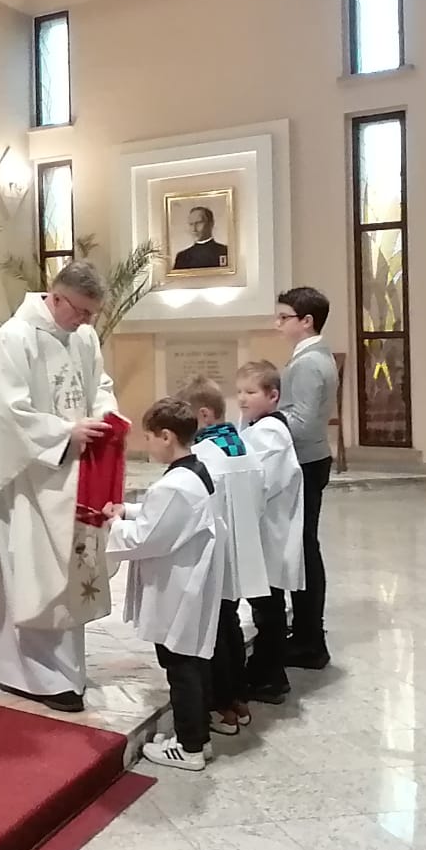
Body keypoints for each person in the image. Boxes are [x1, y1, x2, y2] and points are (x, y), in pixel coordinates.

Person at [0, 262, 120, 713]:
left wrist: (104, 416)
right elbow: (4, 414)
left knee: (65, 576)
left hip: (72, 479)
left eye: (92, 314)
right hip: (25, 483)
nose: (85, 321)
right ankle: (23, 673)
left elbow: (100, 386)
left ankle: (66, 672)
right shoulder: (13, 339)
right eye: (80, 311)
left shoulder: (83, 337)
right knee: (27, 574)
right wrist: (65, 432)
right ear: (56, 296)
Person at [106, 398, 222, 772]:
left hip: (179, 587)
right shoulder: (194, 472)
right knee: (192, 661)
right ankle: (198, 739)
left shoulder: (174, 485)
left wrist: (114, 524)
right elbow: (168, 517)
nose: (148, 444)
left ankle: (189, 748)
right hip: (189, 581)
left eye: (150, 437)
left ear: (167, 436)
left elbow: (146, 538)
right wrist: (130, 510)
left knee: (180, 665)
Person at [180, 375, 273, 720]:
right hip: (242, 550)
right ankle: (238, 697)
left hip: (212, 553)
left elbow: (194, 510)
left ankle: (221, 705)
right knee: (229, 620)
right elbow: (262, 497)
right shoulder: (246, 447)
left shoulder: (202, 456)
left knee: (213, 629)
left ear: (203, 415)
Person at [229, 361, 303, 705]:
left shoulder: (270, 433)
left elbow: (260, 483)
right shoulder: (254, 426)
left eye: (251, 392)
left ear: (273, 396)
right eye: (239, 391)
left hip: (267, 532)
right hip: (259, 531)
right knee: (264, 605)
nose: (242, 398)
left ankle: (270, 677)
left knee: (268, 608)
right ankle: (267, 672)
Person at [275, 286, 337, 669]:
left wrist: (266, 420)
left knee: (303, 551)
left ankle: (310, 641)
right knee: (301, 549)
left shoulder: (310, 362)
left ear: (306, 321)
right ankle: (305, 632)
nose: (277, 324)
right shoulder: (311, 356)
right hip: (308, 460)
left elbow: (303, 423)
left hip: (305, 462)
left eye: (284, 317)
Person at [172, 204, 226, 270]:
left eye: (199, 223)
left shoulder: (225, 251)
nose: (194, 229)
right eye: (191, 224)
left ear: (211, 224)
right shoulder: (182, 257)